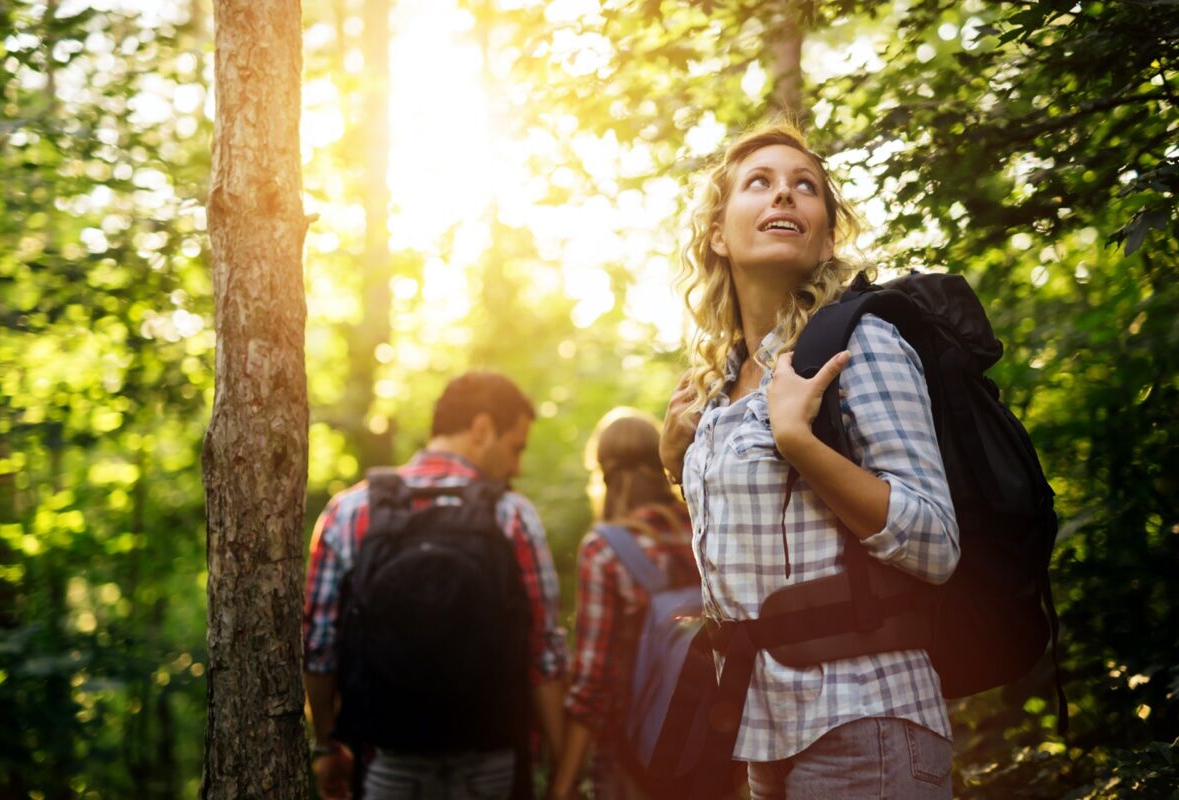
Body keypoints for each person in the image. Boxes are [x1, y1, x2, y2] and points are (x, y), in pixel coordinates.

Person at [658, 119, 961, 799]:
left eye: (805, 188)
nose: (784, 196)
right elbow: (756, 541)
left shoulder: (862, 344)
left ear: (826, 234)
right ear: (716, 232)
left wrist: (799, 441)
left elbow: (934, 543)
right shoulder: (716, 383)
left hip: (867, 719)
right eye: (758, 184)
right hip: (764, 734)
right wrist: (672, 460)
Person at [303, 370, 569, 800]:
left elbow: (318, 649)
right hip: (490, 762)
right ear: (482, 428)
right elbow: (544, 654)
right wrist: (563, 768)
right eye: (515, 448)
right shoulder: (513, 516)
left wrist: (327, 746)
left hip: (386, 762)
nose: (516, 466)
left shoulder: (348, 512)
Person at [548, 409, 697, 800]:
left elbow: (593, 684)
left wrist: (563, 784)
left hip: (635, 757)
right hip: (717, 748)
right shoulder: (702, 526)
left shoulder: (606, 548)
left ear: (602, 472)